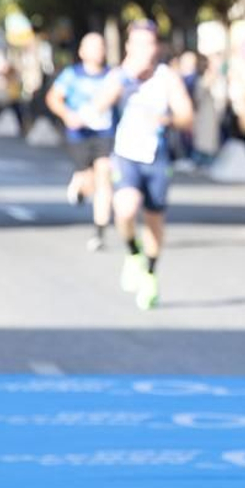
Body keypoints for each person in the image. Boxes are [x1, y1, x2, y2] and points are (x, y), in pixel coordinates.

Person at [90, 21, 194, 310]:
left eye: (150, 44)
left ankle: (149, 272)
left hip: (157, 156)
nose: (145, 51)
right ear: (129, 47)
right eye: (139, 44)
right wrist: (126, 79)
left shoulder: (167, 77)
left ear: (157, 47)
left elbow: (187, 116)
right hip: (126, 154)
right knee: (124, 207)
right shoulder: (119, 76)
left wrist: (167, 120)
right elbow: (98, 106)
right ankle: (132, 251)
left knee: (154, 220)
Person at [45, 32, 116, 251]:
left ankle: (99, 232)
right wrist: (68, 115)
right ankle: (79, 186)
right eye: (92, 47)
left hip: (104, 133)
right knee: (88, 181)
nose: (97, 51)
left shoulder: (112, 75)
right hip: (78, 135)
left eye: (100, 47)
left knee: (104, 176)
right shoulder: (71, 74)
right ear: (82, 52)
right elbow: (53, 98)